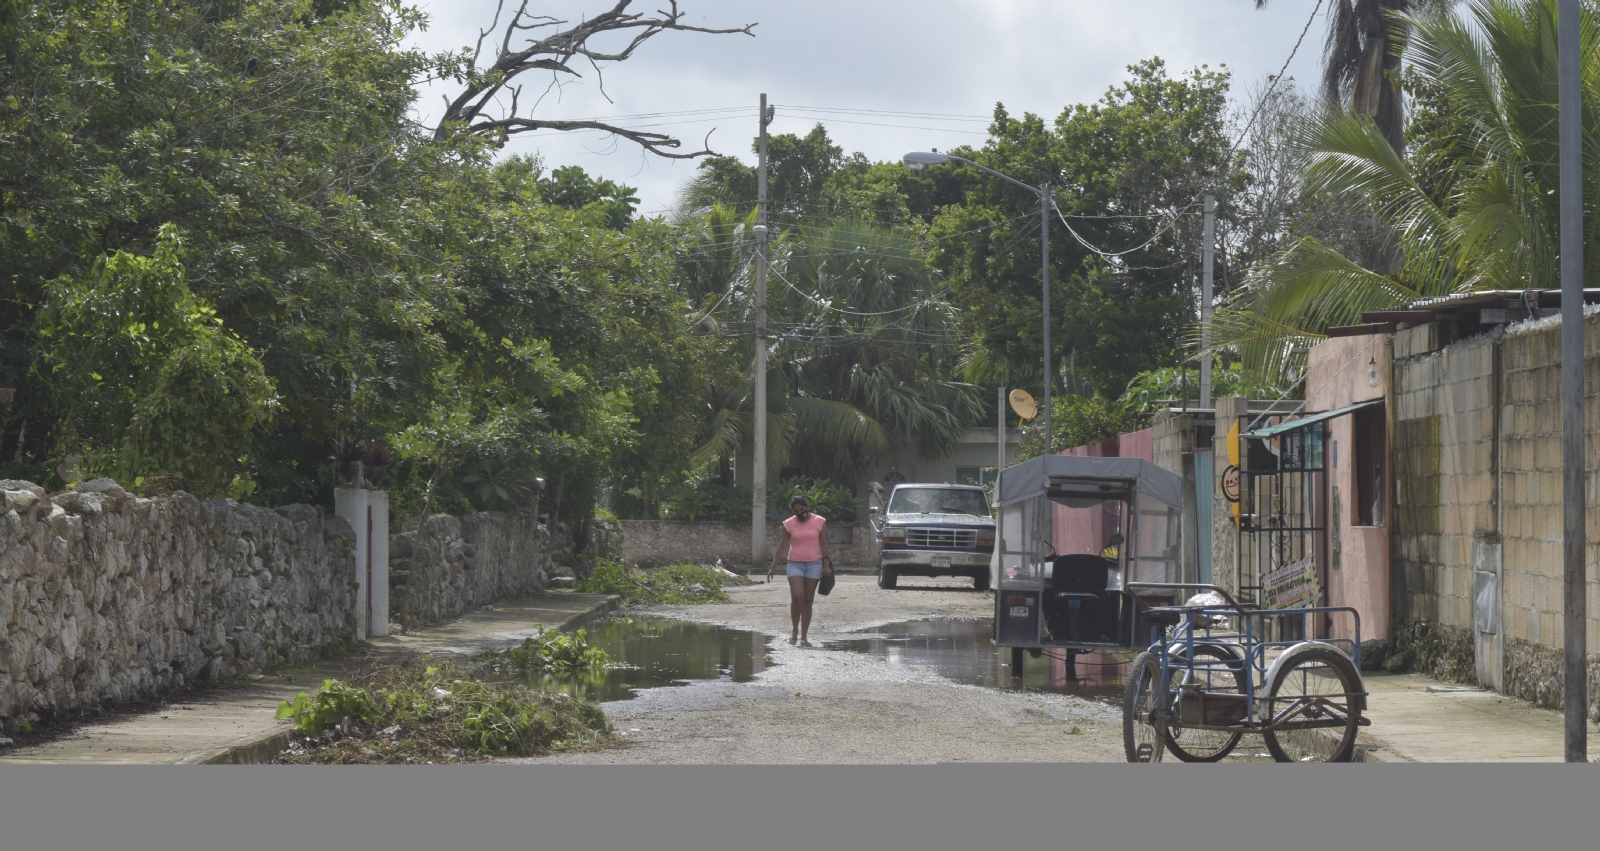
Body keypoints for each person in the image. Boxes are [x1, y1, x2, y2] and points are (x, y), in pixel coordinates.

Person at [767, 494, 832, 647]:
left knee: (808, 600)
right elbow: (782, 546)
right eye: (796, 511)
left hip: (814, 564)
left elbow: (823, 545)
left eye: (802, 509)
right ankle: (794, 632)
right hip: (794, 563)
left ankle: (804, 637)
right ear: (792, 511)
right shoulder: (788, 524)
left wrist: (826, 565)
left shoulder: (819, 521)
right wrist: (773, 566)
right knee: (798, 596)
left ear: (807, 507)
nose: (799, 513)